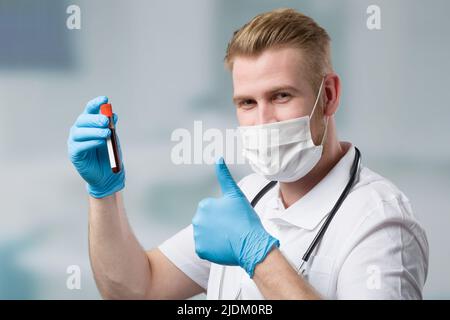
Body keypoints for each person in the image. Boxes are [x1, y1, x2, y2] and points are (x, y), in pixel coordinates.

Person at [67, 8, 428, 299]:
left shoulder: (380, 223)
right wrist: (104, 194)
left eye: (281, 96)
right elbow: (137, 289)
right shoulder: (252, 195)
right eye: (247, 103)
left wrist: (259, 256)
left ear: (329, 95)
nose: (263, 120)